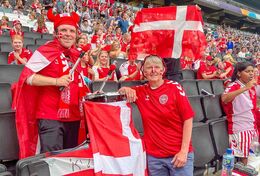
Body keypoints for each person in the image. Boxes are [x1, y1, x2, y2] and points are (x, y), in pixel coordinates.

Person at [13, 8, 90, 159]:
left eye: (72, 31)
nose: (68, 34)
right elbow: (28, 78)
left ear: (76, 35)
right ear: (56, 33)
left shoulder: (76, 56)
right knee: (53, 161)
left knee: (70, 161)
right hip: (50, 116)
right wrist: (56, 81)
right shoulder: (45, 50)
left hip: (74, 116)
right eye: (64, 30)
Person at [119, 55, 194, 176]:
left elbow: (188, 119)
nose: (153, 70)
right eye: (149, 67)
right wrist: (125, 89)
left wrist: (184, 152)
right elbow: (120, 91)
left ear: (162, 70)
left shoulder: (174, 88)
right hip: (154, 158)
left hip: (178, 155)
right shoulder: (141, 91)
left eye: (157, 67)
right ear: (144, 71)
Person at [221, 62, 260, 165]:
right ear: (239, 73)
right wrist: (245, 88)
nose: (251, 74)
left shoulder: (251, 86)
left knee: (255, 158)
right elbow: (224, 98)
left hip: (252, 126)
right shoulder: (234, 85)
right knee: (244, 160)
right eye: (247, 71)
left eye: (252, 71)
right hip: (240, 128)